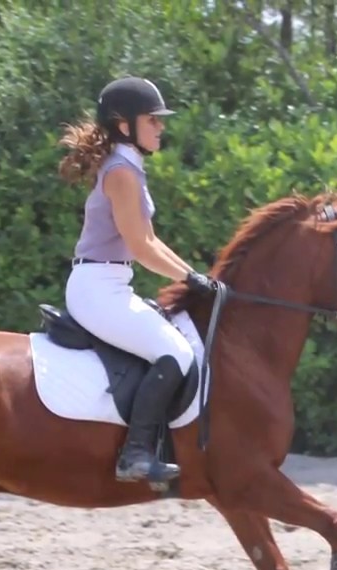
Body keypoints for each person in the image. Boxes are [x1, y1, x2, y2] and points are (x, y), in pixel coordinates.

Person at [56, 76, 216, 486]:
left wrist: (195, 276)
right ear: (124, 125)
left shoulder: (127, 165)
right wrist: (189, 278)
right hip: (97, 289)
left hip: (109, 283)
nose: (161, 126)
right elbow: (141, 248)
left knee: (173, 348)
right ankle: (136, 455)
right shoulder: (123, 172)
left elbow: (149, 240)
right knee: (177, 354)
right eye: (153, 119)